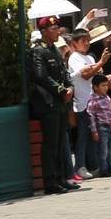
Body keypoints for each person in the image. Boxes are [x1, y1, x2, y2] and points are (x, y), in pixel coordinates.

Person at [27, 16, 76, 193]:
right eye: (54, 28)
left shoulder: (54, 50)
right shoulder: (38, 52)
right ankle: (50, 182)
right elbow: (40, 76)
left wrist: (70, 87)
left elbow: (65, 73)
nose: (57, 31)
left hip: (60, 103)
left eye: (57, 28)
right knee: (51, 143)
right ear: (44, 31)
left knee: (61, 142)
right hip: (48, 103)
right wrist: (62, 91)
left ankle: (61, 178)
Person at [68, 26, 111, 179]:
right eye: (83, 41)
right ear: (74, 43)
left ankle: (93, 166)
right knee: (83, 137)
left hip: (95, 103)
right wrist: (101, 62)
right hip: (82, 104)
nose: (87, 43)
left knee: (95, 137)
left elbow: (95, 76)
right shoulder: (74, 57)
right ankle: (79, 166)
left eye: (88, 40)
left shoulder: (90, 58)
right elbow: (86, 75)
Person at [87, 74, 111, 177]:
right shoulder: (93, 100)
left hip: (110, 126)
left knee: (110, 150)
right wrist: (94, 131)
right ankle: (104, 170)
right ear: (95, 87)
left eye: (106, 85)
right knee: (103, 150)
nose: (105, 87)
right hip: (101, 127)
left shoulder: (107, 97)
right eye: (103, 85)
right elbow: (91, 116)